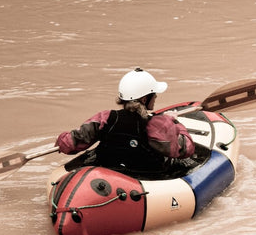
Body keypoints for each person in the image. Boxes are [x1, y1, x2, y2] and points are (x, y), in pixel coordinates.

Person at [56, 68, 195, 175]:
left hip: (108, 172)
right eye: (154, 94)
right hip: (144, 178)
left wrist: (62, 139)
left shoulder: (106, 117)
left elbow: (70, 143)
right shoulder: (158, 124)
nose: (156, 97)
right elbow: (185, 149)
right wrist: (175, 123)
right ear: (145, 99)